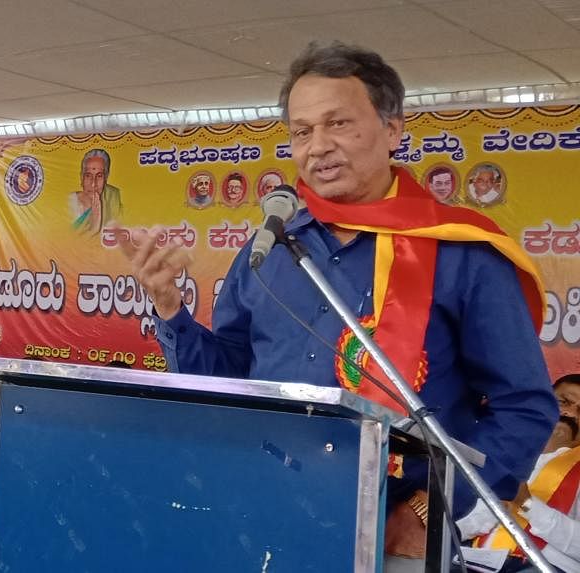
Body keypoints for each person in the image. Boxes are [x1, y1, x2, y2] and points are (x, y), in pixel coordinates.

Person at [123, 42, 556, 570]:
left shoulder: (461, 253)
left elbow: (524, 408)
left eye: (338, 123)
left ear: (393, 129)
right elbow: (228, 382)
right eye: (302, 131)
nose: (318, 146)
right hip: (263, 511)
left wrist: (431, 509)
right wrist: (170, 309)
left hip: (395, 536)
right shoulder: (272, 247)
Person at [457, 416, 580, 572]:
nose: (572, 414)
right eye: (565, 401)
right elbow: (473, 518)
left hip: (544, 565)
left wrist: (528, 504)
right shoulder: (508, 453)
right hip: (478, 559)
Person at [68, 149, 123, 235]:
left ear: (106, 177)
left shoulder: (113, 197)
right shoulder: (69, 202)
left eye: (99, 176)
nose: (93, 184)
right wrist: (94, 227)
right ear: (81, 177)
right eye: (88, 175)